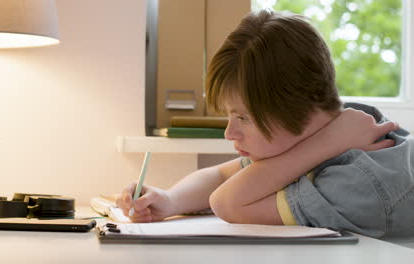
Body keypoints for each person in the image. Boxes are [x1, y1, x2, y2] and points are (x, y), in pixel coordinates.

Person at [117, 9, 414, 238]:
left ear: (301, 107)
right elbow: (222, 176)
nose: (230, 133)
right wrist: (169, 200)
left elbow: (227, 201)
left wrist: (328, 143)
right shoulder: (325, 133)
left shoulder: (358, 182)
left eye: (243, 117)